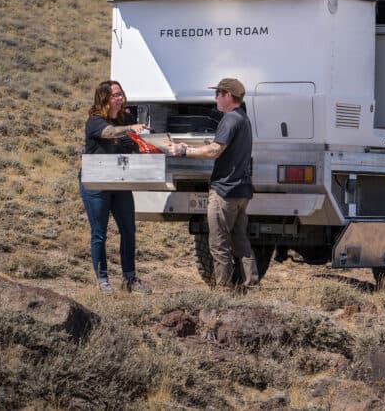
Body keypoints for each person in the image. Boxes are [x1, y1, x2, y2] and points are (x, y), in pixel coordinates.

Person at [167, 78, 258, 288]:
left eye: (218, 93)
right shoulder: (242, 119)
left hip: (224, 191)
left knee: (219, 244)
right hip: (241, 191)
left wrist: (184, 151)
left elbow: (215, 150)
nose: (215, 97)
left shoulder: (229, 119)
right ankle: (251, 285)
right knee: (241, 241)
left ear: (227, 96)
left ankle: (223, 291)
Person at [79, 80, 152, 294]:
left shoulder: (125, 117)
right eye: (115, 95)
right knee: (99, 233)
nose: (120, 98)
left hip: (119, 181)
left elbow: (131, 143)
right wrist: (129, 129)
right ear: (104, 99)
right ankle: (103, 281)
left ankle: (129, 279)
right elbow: (110, 133)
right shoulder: (95, 121)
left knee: (129, 229)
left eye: (121, 94)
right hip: (96, 183)